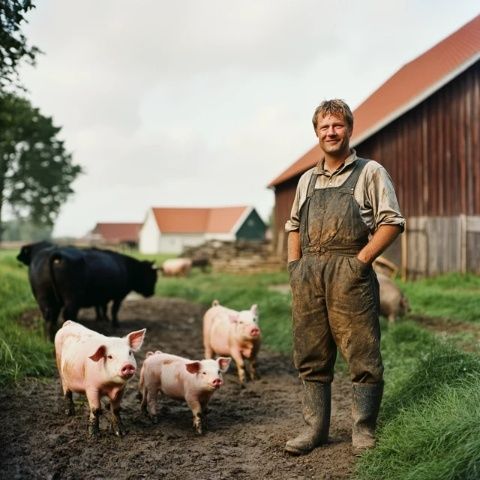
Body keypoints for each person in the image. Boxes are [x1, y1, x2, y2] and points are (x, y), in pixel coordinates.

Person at [284, 99, 405, 456]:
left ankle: (363, 430)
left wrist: (360, 262)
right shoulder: (307, 179)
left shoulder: (370, 172)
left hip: (349, 275)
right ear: (316, 133)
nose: (331, 132)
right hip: (309, 277)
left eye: (337, 126)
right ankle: (314, 429)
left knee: (363, 356)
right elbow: (292, 226)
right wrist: (295, 267)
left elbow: (391, 222)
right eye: (324, 127)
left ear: (349, 129)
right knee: (310, 354)